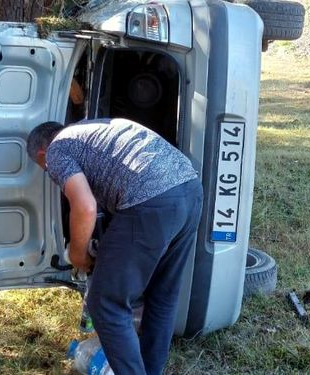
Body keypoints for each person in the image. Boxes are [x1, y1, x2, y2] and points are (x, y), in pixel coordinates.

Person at [27, 118, 203, 375]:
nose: (50, 172)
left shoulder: (57, 149)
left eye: (44, 168)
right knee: (162, 296)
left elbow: (86, 208)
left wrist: (78, 255)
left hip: (152, 199)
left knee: (105, 303)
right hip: (190, 190)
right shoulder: (91, 132)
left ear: (42, 153)